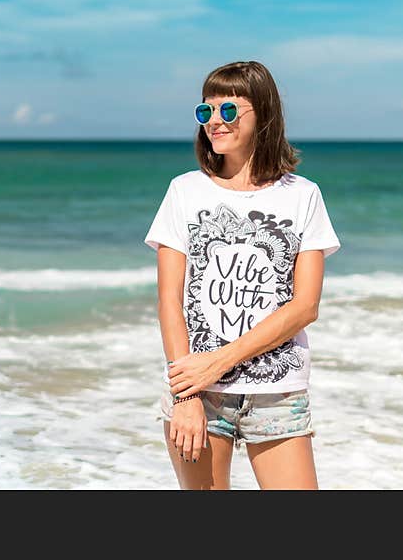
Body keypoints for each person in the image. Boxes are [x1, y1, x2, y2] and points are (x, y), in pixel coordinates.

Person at [142, 60, 341, 490]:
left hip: (277, 391)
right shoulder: (184, 191)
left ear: (263, 115)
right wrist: (188, 395)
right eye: (205, 111)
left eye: (228, 111)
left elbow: (305, 306)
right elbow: (169, 303)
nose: (214, 121)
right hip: (198, 393)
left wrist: (218, 360)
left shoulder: (303, 196)